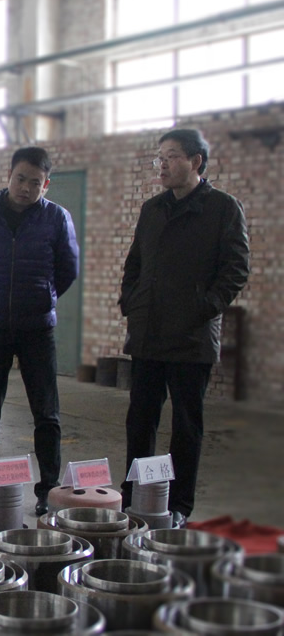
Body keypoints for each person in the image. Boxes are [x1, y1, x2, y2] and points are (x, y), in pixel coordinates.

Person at [119, 128, 249, 528]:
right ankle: (135, 496)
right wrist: (131, 302)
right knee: (140, 421)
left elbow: (236, 269)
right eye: (159, 157)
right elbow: (135, 263)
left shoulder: (223, 208)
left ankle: (178, 506)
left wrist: (203, 308)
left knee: (186, 427)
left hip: (192, 337)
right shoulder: (152, 209)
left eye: (171, 156)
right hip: (148, 333)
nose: (162, 164)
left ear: (195, 161)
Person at [0, 147, 79, 516]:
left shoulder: (56, 218)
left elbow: (68, 268)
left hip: (36, 328)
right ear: (8, 177)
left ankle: (48, 488)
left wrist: (43, 295)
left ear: (46, 184)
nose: (26, 188)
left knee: (47, 412)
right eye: (20, 179)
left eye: (35, 183)